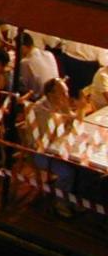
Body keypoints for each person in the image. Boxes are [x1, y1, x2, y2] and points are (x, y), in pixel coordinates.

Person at [22, 78, 78, 216]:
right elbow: (48, 139)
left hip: (57, 149)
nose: (67, 96)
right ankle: (60, 203)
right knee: (68, 172)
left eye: (67, 92)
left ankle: (74, 198)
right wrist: (66, 116)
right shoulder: (41, 110)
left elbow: (72, 127)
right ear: (51, 94)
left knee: (80, 167)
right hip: (40, 153)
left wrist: (67, 113)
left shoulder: (57, 105)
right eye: (63, 93)